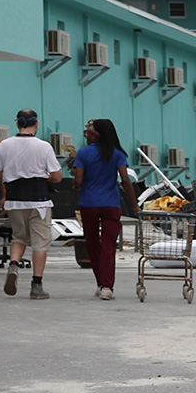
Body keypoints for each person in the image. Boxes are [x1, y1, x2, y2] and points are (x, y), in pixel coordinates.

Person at [0, 110, 62, 299]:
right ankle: (36, 285)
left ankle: (14, 264)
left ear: (17, 124)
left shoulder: (5, 145)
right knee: (40, 244)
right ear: (36, 124)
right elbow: (57, 176)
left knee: (19, 237)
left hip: (14, 201)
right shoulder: (44, 146)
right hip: (39, 202)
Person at [71, 118, 134, 299]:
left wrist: (76, 181)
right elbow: (125, 180)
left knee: (92, 243)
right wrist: (135, 205)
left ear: (97, 134)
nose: (88, 136)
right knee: (109, 245)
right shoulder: (117, 154)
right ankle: (107, 286)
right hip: (111, 204)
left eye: (90, 133)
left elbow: (78, 182)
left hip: (89, 204)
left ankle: (100, 282)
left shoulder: (83, 153)